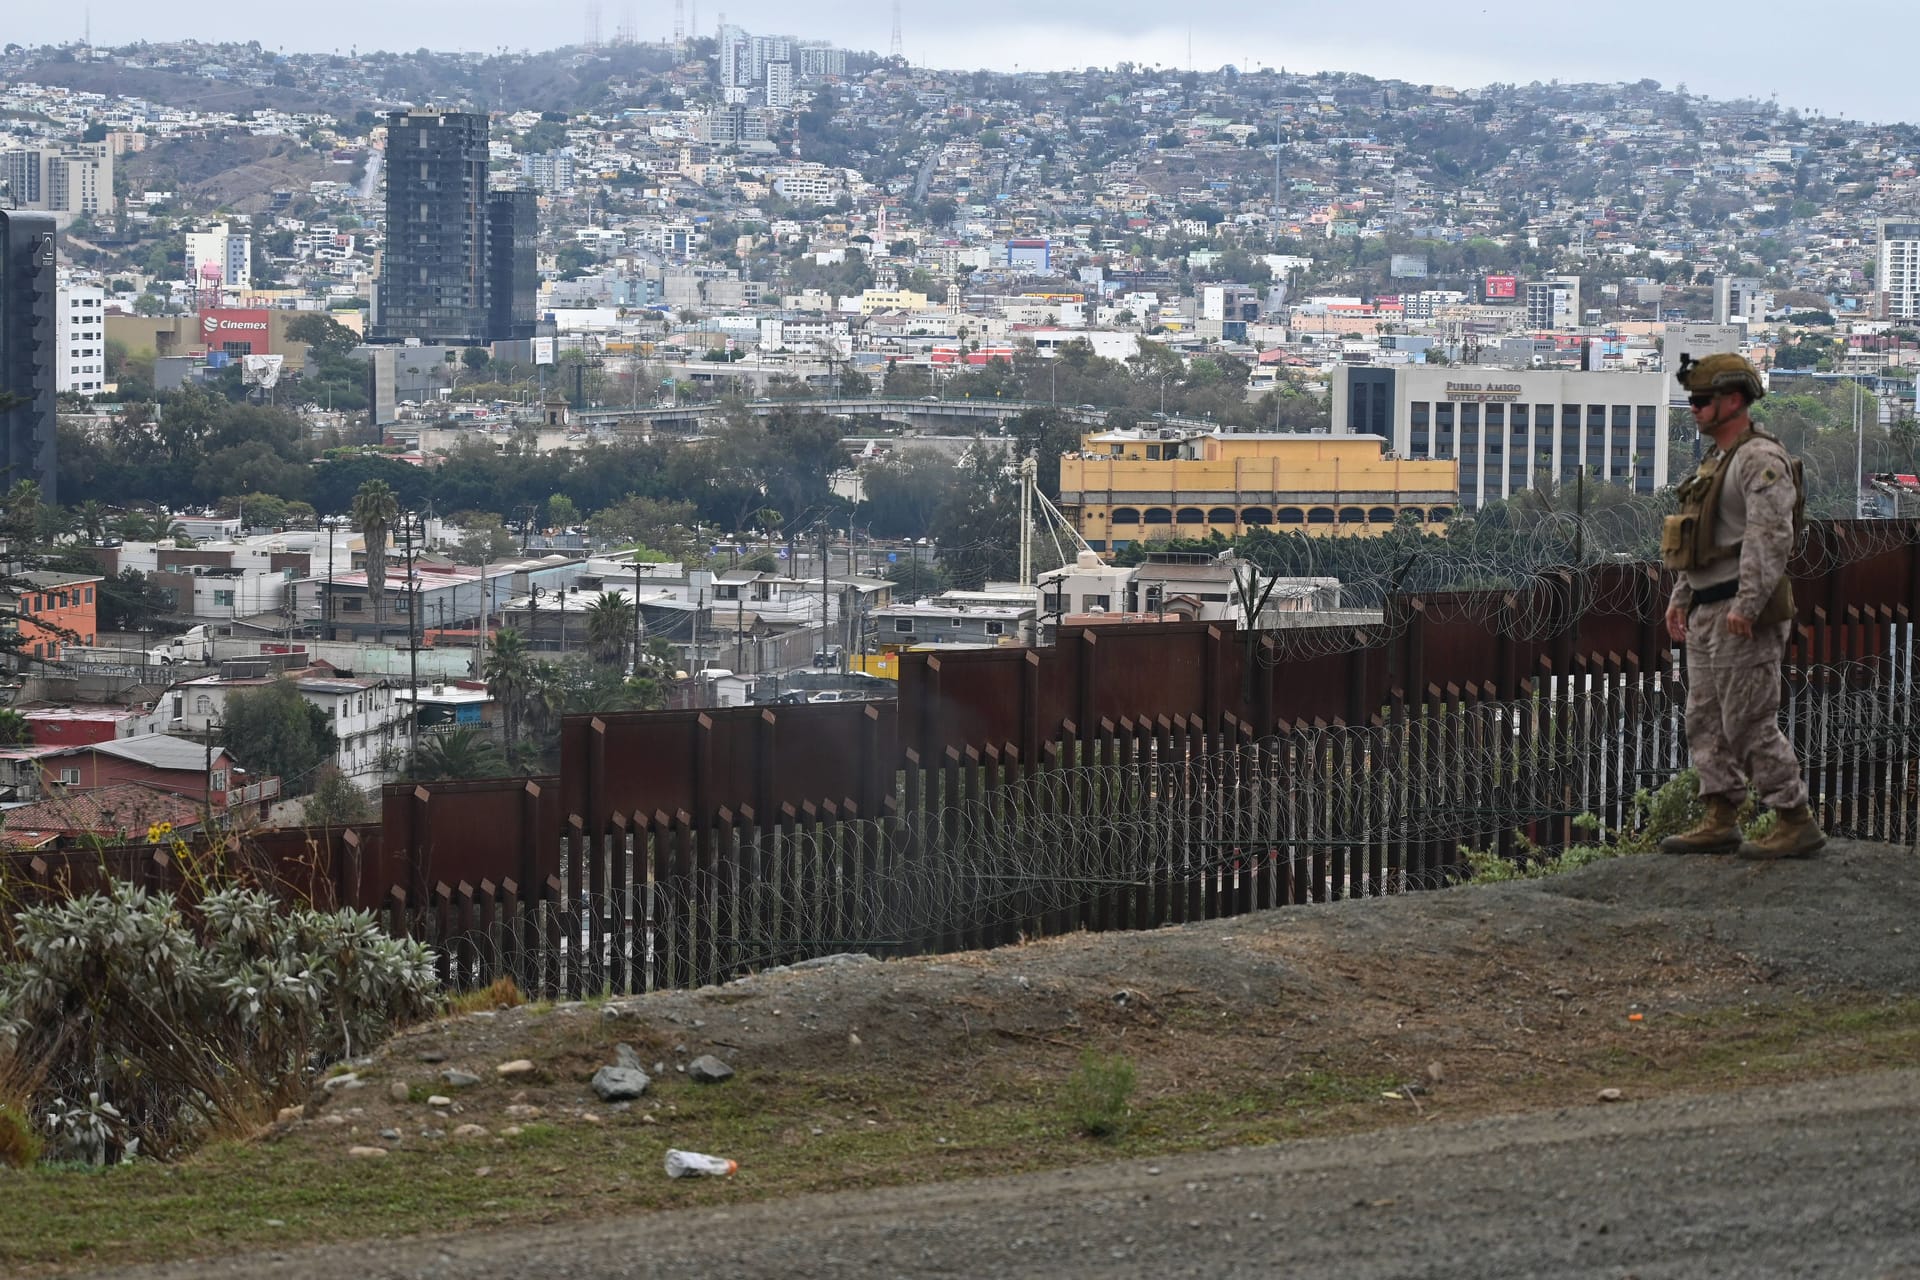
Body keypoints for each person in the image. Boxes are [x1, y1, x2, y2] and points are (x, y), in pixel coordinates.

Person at [1657, 353, 1824, 860]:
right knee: (1704, 718)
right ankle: (1720, 814)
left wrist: (1748, 605)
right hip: (1710, 607)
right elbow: (1704, 538)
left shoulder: (1759, 460)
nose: (1695, 409)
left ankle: (1793, 817)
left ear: (1733, 401)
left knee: (1748, 720)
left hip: (1740, 611)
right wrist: (1682, 596)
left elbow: (1768, 538)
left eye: (1703, 400)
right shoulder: (1717, 461)